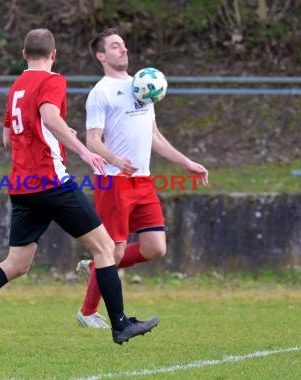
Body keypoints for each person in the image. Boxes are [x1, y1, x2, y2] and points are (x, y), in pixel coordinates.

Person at [0, 28, 159, 349]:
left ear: (24, 55)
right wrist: (83, 150)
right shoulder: (53, 80)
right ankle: (120, 325)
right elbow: (49, 115)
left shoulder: (16, 87)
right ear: (53, 54)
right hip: (51, 182)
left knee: (17, 263)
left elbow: (7, 139)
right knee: (104, 249)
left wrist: (52, 132)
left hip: (23, 185)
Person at [75, 28, 209, 329]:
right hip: (113, 181)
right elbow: (92, 141)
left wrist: (187, 162)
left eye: (123, 45)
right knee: (115, 251)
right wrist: (115, 160)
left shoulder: (143, 84)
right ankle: (86, 312)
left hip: (144, 182)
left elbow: (155, 137)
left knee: (155, 248)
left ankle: (97, 266)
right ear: (101, 55)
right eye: (114, 46)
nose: (123, 50)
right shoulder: (101, 92)